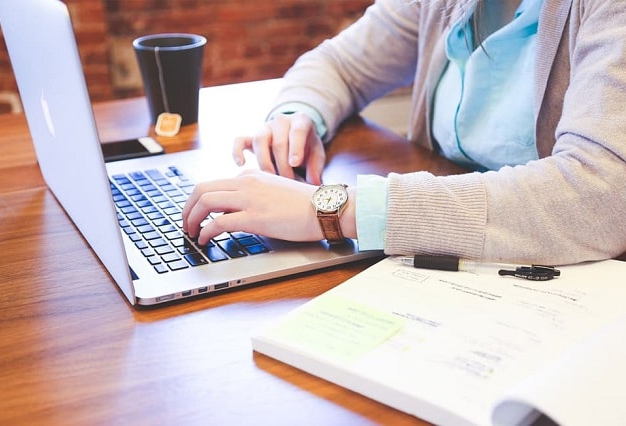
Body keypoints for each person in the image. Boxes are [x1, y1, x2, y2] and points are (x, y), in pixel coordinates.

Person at [183, 0, 626, 265]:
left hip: (568, 281)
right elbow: (341, 64)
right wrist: (298, 116)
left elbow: (601, 195)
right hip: (452, 264)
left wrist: (333, 210)